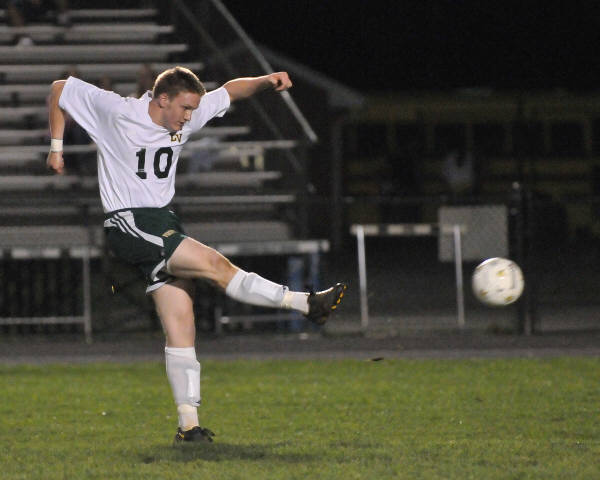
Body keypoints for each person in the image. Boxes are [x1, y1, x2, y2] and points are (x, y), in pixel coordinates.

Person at [46, 66, 347, 444]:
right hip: (130, 221)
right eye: (184, 108)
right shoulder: (117, 110)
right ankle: (305, 303)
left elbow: (231, 91)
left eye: (193, 109)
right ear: (162, 100)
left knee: (181, 322)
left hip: (161, 221)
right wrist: (56, 147)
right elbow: (59, 89)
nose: (189, 117)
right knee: (214, 265)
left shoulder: (185, 112)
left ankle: (188, 426)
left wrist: (264, 81)